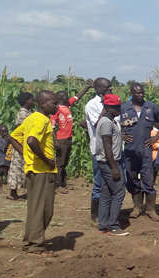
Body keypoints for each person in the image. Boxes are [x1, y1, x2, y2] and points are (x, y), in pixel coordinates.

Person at [7, 90, 58, 254]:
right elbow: (31, 140)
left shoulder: (31, 118)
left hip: (33, 169)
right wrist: (46, 160)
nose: (56, 106)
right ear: (43, 103)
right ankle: (35, 243)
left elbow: (13, 137)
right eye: (53, 103)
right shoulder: (41, 120)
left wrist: (26, 154)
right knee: (45, 209)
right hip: (42, 170)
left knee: (35, 207)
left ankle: (31, 240)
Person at [120, 82, 159, 222]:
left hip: (146, 150)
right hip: (129, 151)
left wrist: (157, 136)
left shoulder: (151, 107)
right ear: (132, 93)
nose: (141, 95)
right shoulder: (123, 107)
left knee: (148, 179)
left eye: (142, 92)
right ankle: (137, 207)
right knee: (132, 178)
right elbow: (113, 122)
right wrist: (120, 134)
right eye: (138, 93)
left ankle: (151, 209)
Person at [94, 94, 128, 236]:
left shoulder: (110, 121)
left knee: (107, 193)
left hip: (107, 162)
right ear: (108, 107)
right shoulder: (106, 123)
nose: (119, 109)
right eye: (116, 107)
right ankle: (113, 225)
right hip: (109, 163)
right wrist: (114, 167)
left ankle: (103, 224)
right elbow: (107, 147)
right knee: (119, 192)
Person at [81, 78, 111, 224]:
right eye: (107, 88)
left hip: (113, 149)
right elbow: (99, 124)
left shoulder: (111, 102)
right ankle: (95, 215)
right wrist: (106, 106)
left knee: (111, 182)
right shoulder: (92, 105)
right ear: (98, 90)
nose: (110, 90)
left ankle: (107, 212)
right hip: (99, 150)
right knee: (99, 183)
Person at [2, 91, 35, 201]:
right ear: (26, 101)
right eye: (31, 99)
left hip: (24, 144)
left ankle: (20, 191)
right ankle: (13, 192)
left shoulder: (28, 112)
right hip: (20, 145)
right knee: (16, 169)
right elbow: (21, 130)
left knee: (21, 168)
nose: (33, 101)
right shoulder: (23, 114)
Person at [50, 91, 74, 194]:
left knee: (65, 161)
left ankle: (63, 182)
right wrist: (55, 141)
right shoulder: (56, 110)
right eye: (66, 95)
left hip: (68, 138)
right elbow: (52, 126)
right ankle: (58, 185)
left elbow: (77, 97)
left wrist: (86, 88)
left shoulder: (66, 105)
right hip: (61, 140)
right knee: (60, 162)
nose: (68, 96)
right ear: (60, 98)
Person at [0, 124, 11, 191]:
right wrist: (8, 142)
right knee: (0, 174)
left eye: (6, 131)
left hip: (8, 160)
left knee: (8, 174)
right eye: (3, 132)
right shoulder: (0, 140)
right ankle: (0, 188)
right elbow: (3, 149)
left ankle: (7, 187)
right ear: (0, 133)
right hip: (1, 160)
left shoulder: (9, 139)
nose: (5, 133)